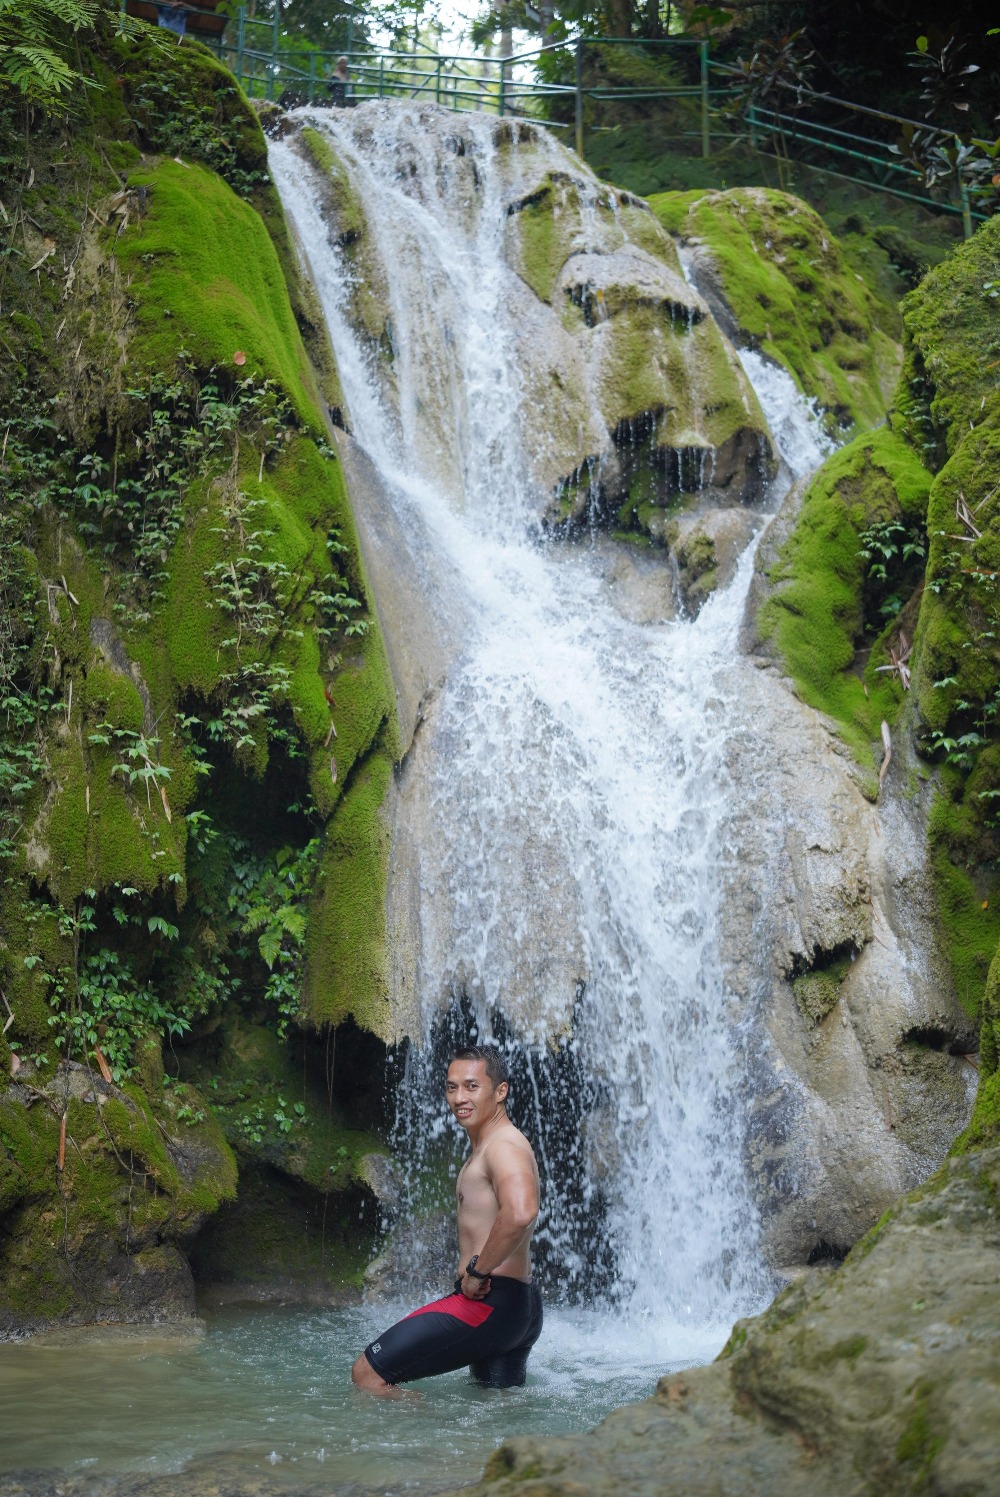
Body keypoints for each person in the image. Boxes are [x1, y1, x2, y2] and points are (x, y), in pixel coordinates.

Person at [351, 1045, 542, 1396]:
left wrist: (477, 1272)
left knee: (367, 1375)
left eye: (471, 1086)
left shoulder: (503, 1146)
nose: (458, 1097)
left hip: (489, 1301)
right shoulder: (491, 1144)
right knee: (492, 1414)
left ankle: (431, 1445)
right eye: (451, 1087)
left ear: (500, 1091)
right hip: (518, 1305)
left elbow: (521, 1212)